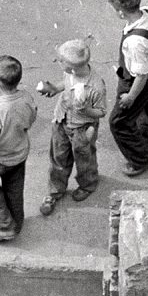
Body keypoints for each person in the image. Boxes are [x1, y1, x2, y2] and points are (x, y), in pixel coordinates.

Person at [37, 37, 107, 216]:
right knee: (58, 157)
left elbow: (101, 112)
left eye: (61, 61)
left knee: (85, 159)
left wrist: (86, 109)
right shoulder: (70, 74)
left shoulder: (96, 87)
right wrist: (54, 89)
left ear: (72, 67)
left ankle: (88, 184)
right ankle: (55, 190)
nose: (58, 63)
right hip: (62, 120)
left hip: (82, 128)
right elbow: (66, 84)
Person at [106, 0, 148, 176]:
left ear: (121, 13)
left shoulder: (134, 42)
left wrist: (130, 97)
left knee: (119, 122)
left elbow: (140, 76)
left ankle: (141, 158)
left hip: (137, 79)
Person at [0, 55, 38, 243]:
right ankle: (17, 221)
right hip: (19, 152)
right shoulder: (26, 98)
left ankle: (4, 226)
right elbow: (30, 119)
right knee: (14, 188)